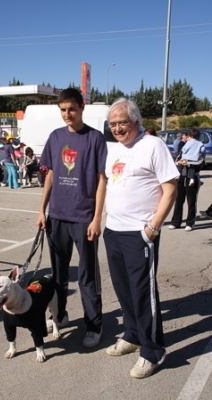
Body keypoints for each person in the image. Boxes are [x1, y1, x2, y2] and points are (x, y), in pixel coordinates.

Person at [103, 97, 178, 379]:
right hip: (114, 231)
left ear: (136, 120)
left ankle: (152, 350)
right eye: (113, 124)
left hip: (140, 234)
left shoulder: (153, 145)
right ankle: (132, 335)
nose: (118, 128)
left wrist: (153, 228)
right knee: (123, 289)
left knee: (143, 292)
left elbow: (170, 188)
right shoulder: (115, 150)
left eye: (122, 122)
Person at [36, 88, 107, 348]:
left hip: (83, 218)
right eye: (63, 110)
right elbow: (51, 176)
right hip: (57, 217)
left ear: (82, 107)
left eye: (72, 109)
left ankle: (94, 325)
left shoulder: (95, 138)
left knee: (87, 276)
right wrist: (41, 210)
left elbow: (101, 181)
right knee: (58, 275)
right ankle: (61, 315)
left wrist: (97, 218)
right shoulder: (55, 137)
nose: (67, 114)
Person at [168, 129, 205, 232]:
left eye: (187, 137)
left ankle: (190, 223)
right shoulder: (184, 147)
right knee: (178, 200)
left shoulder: (200, 147)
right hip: (181, 177)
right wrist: (179, 162)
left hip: (192, 178)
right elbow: (177, 159)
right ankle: (176, 222)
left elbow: (201, 163)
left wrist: (188, 164)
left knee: (191, 201)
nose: (186, 139)